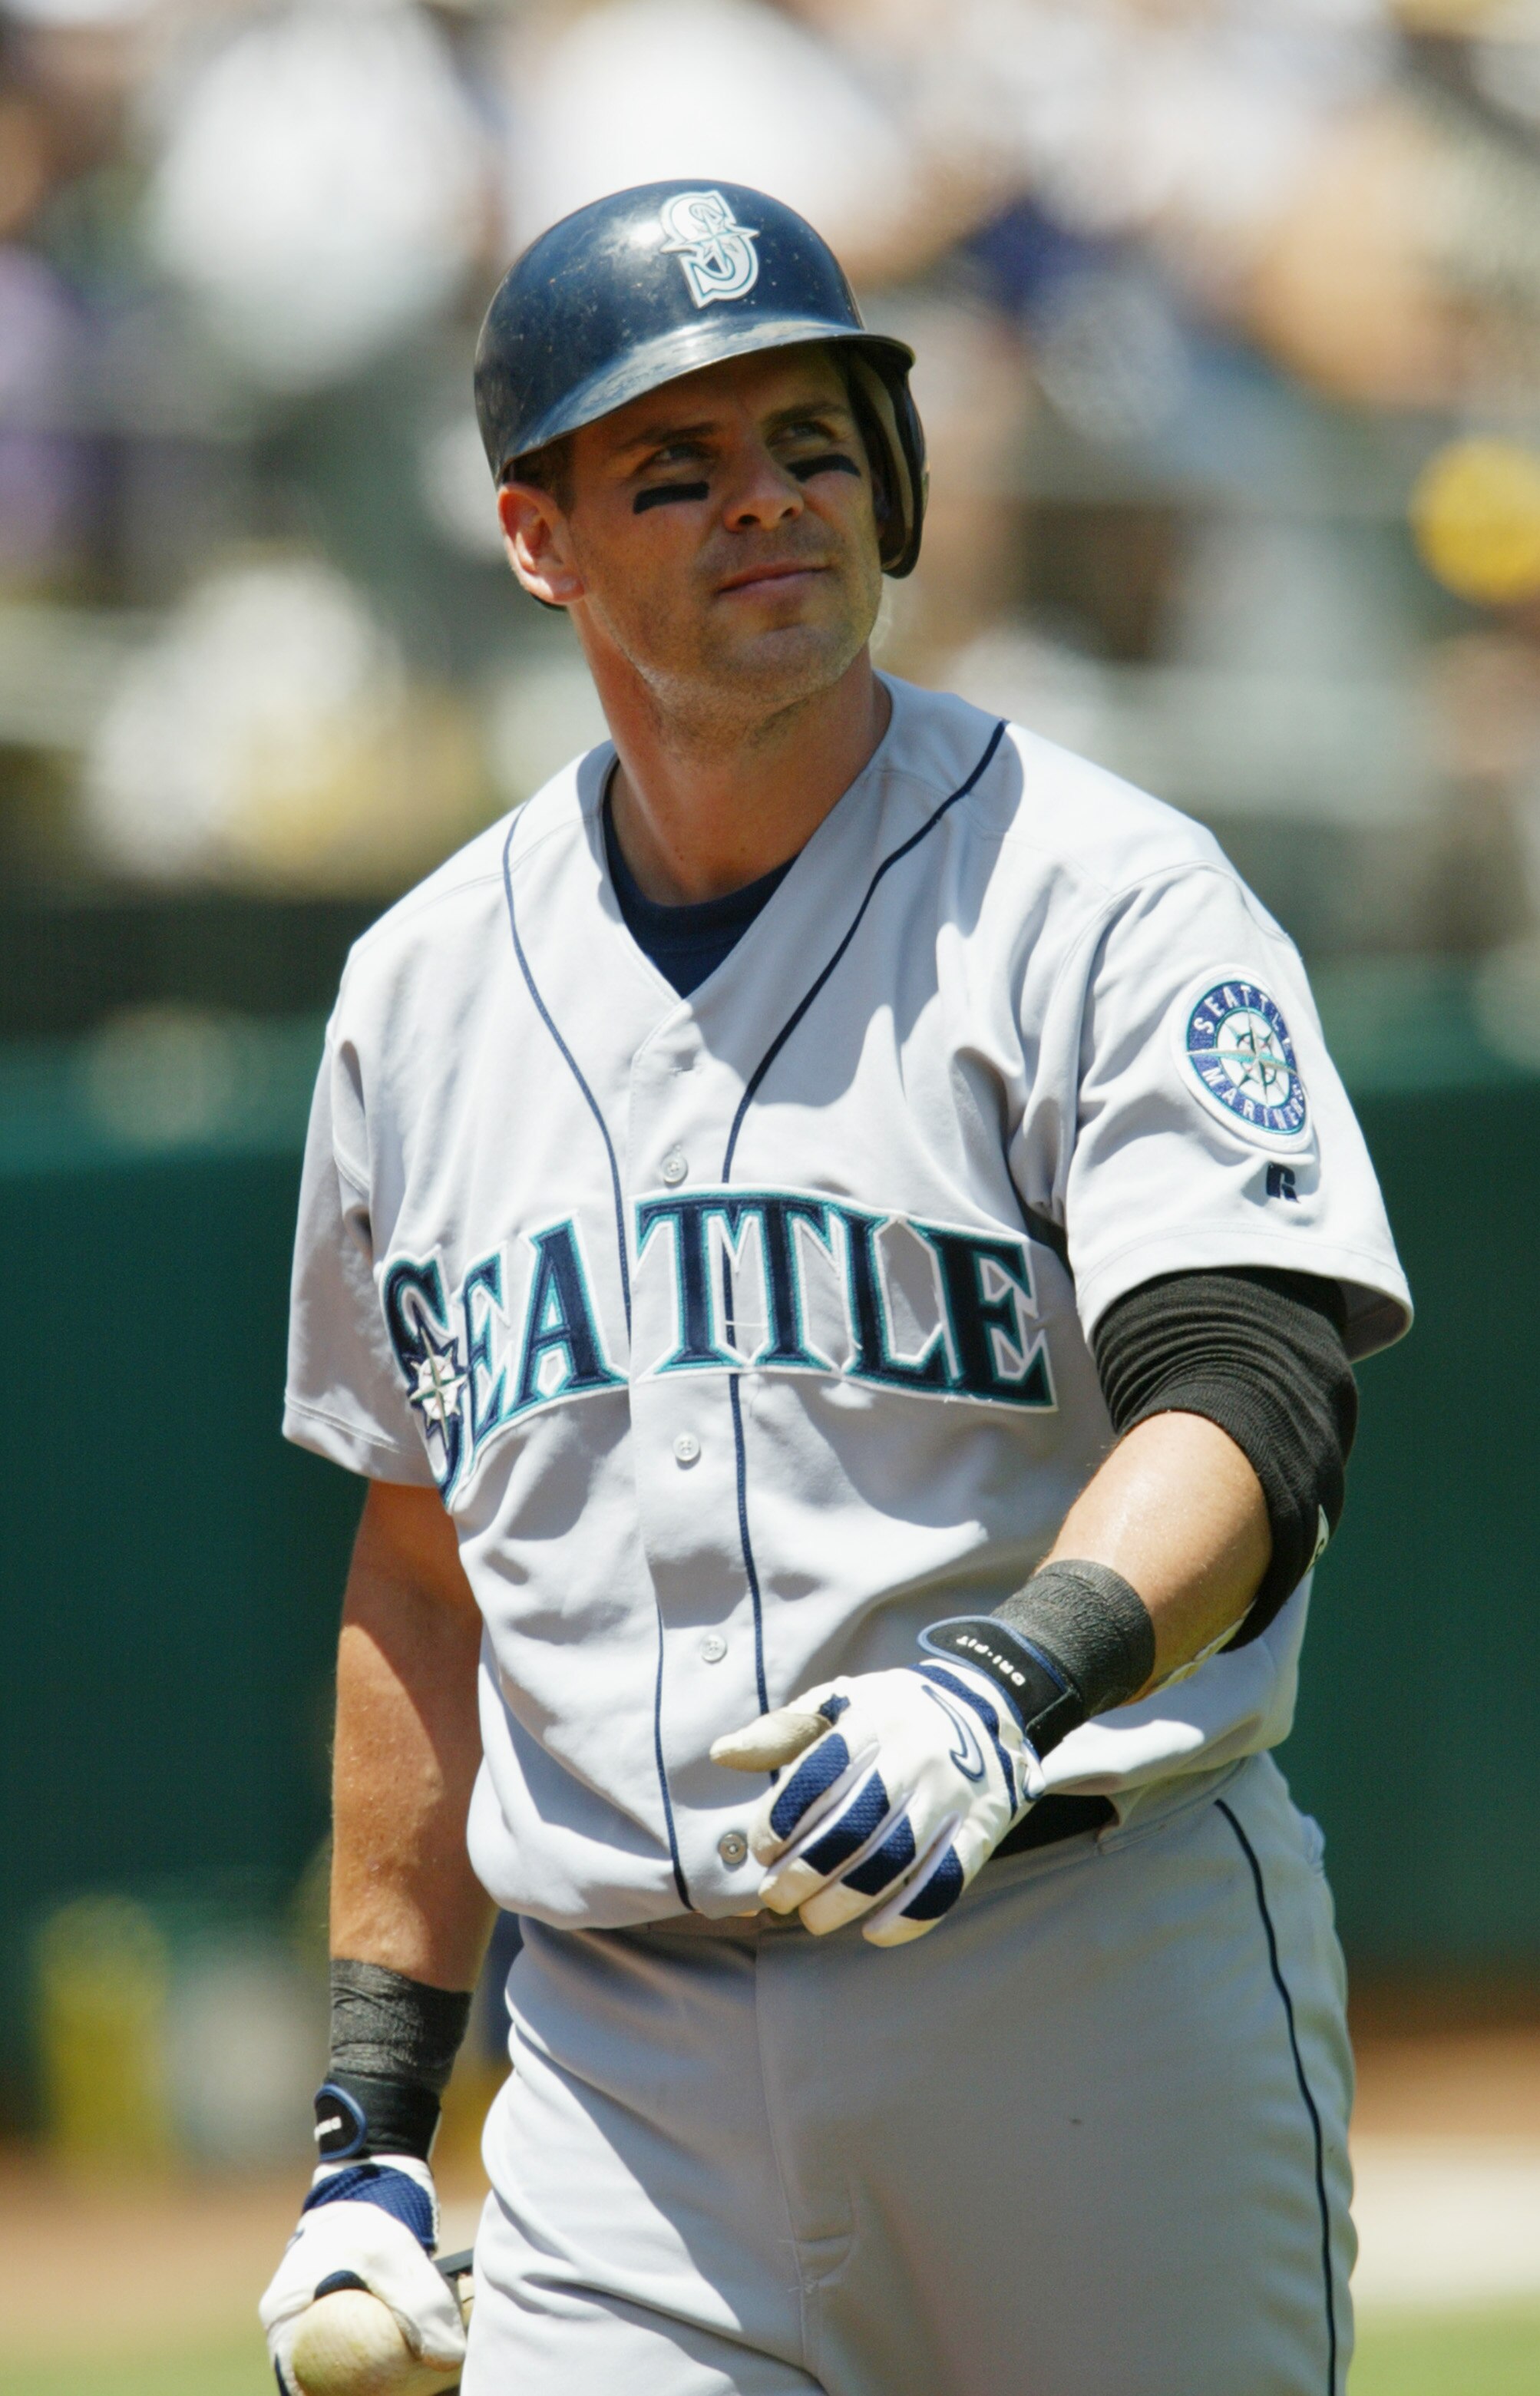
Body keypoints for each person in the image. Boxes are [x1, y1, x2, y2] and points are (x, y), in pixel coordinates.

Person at [261, 181, 1409, 2396]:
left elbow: (1256, 1390)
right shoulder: (417, 997)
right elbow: (421, 1562)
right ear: (540, 541)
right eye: (671, 467)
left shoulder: (1098, 893)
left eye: (805, 436)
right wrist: (373, 2119)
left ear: (884, 473)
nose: (764, 498)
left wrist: (1005, 1677)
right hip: (624, 2068)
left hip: (1083, 1966)